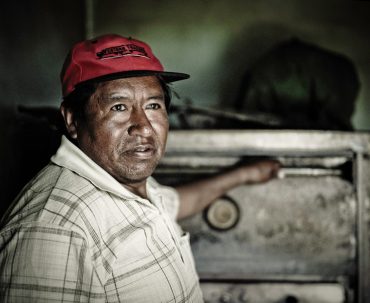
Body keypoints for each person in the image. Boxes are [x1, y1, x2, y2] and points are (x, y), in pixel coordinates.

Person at [0, 34, 279, 302]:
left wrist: (246, 174)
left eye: (154, 105)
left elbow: (177, 202)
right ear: (72, 120)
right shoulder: (53, 230)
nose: (143, 126)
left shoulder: (129, 183)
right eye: (119, 107)